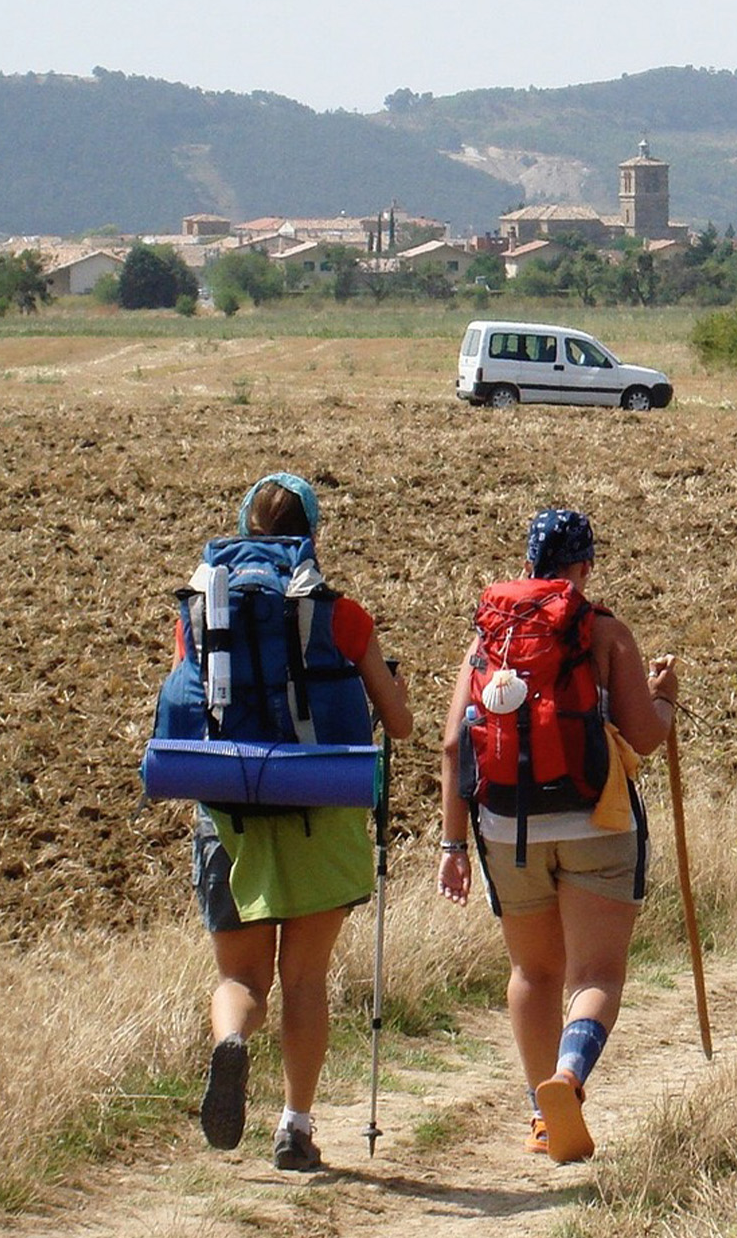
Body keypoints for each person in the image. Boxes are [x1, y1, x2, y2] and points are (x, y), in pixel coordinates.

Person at [436, 506, 680, 1165]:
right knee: (595, 973)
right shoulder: (602, 631)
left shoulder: (490, 636)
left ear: (526, 566)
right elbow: (646, 738)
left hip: (505, 825)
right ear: (584, 568)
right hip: (596, 821)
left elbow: (456, 742)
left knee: (532, 970)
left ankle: (542, 1117)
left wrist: (452, 847)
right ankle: (567, 1078)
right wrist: (666, 698)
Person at [185, 472, 412, 1174]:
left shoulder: (202, 610)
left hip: (230, 814)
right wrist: (393, 692)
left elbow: (193, 704)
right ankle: (296, 1126)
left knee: (243, 980)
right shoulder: (341, 616)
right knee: (305, 978)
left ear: (243, 529)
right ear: (311, 536)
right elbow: (399, 724)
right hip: (321, 809)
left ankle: (232, 1040)